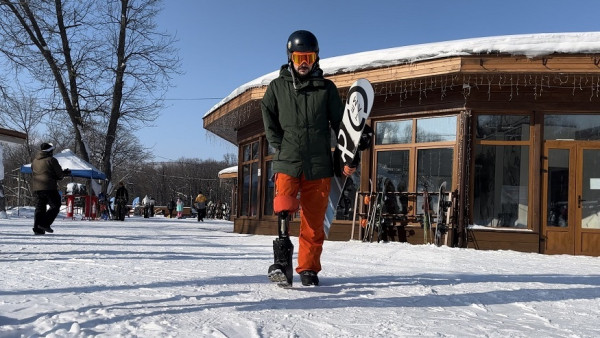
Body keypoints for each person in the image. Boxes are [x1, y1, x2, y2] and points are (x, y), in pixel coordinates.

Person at [261, 30, 355, 287]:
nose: (305, 63)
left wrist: (349, 153)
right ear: (290, 57)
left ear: (316, 58)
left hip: (319, 165)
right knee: (283, 209)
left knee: (314, 222)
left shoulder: (327, 89)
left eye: (310, 57)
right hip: (288, 161)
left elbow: (340, 124)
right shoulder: (277, 87)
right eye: (300, 57)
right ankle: (282, 264)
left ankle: (309, 269)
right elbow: (267, 113)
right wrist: (279, 144)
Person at [31, 142, 70, 235]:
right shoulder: (52, 160)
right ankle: (44, 224)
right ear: (50, 151)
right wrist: (65, 173)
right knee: (55, 205)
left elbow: (35, 172)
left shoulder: (34, 161)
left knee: (40, 207)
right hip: (49, 187)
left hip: (37, 187)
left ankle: (37, 228)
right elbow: (59, 175)